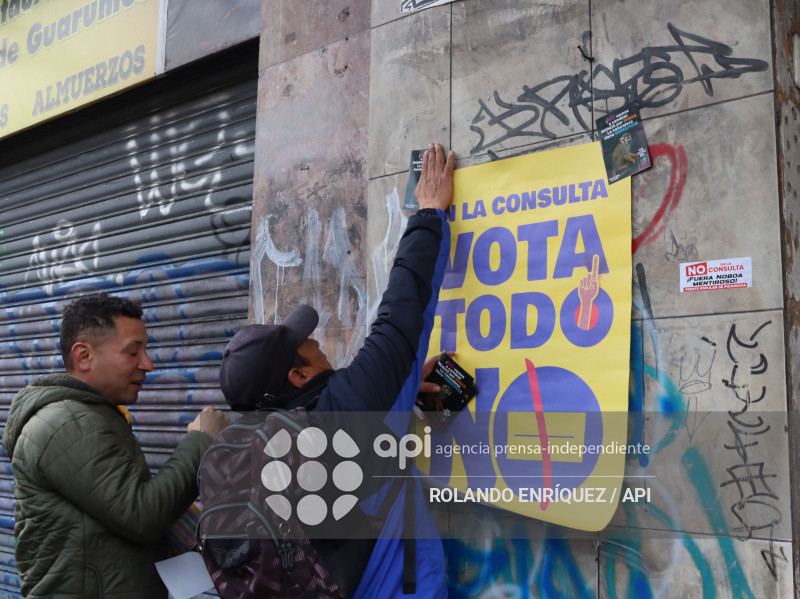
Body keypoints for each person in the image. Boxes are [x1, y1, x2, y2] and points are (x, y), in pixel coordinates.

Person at [218, 142, 455, 598]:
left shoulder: (250, 448)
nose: (320, 343)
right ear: (298, 377)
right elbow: (402, 315)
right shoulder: (352, 404)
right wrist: (429, 215)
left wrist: (399, 392)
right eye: (309, 346)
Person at [2, 292, 230, 599]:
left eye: (145, 350)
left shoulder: (89, 415)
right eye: (132, 352)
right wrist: (201, 440)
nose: (147, 364)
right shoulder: (66, 422)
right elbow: (142, 513)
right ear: (83, 356)